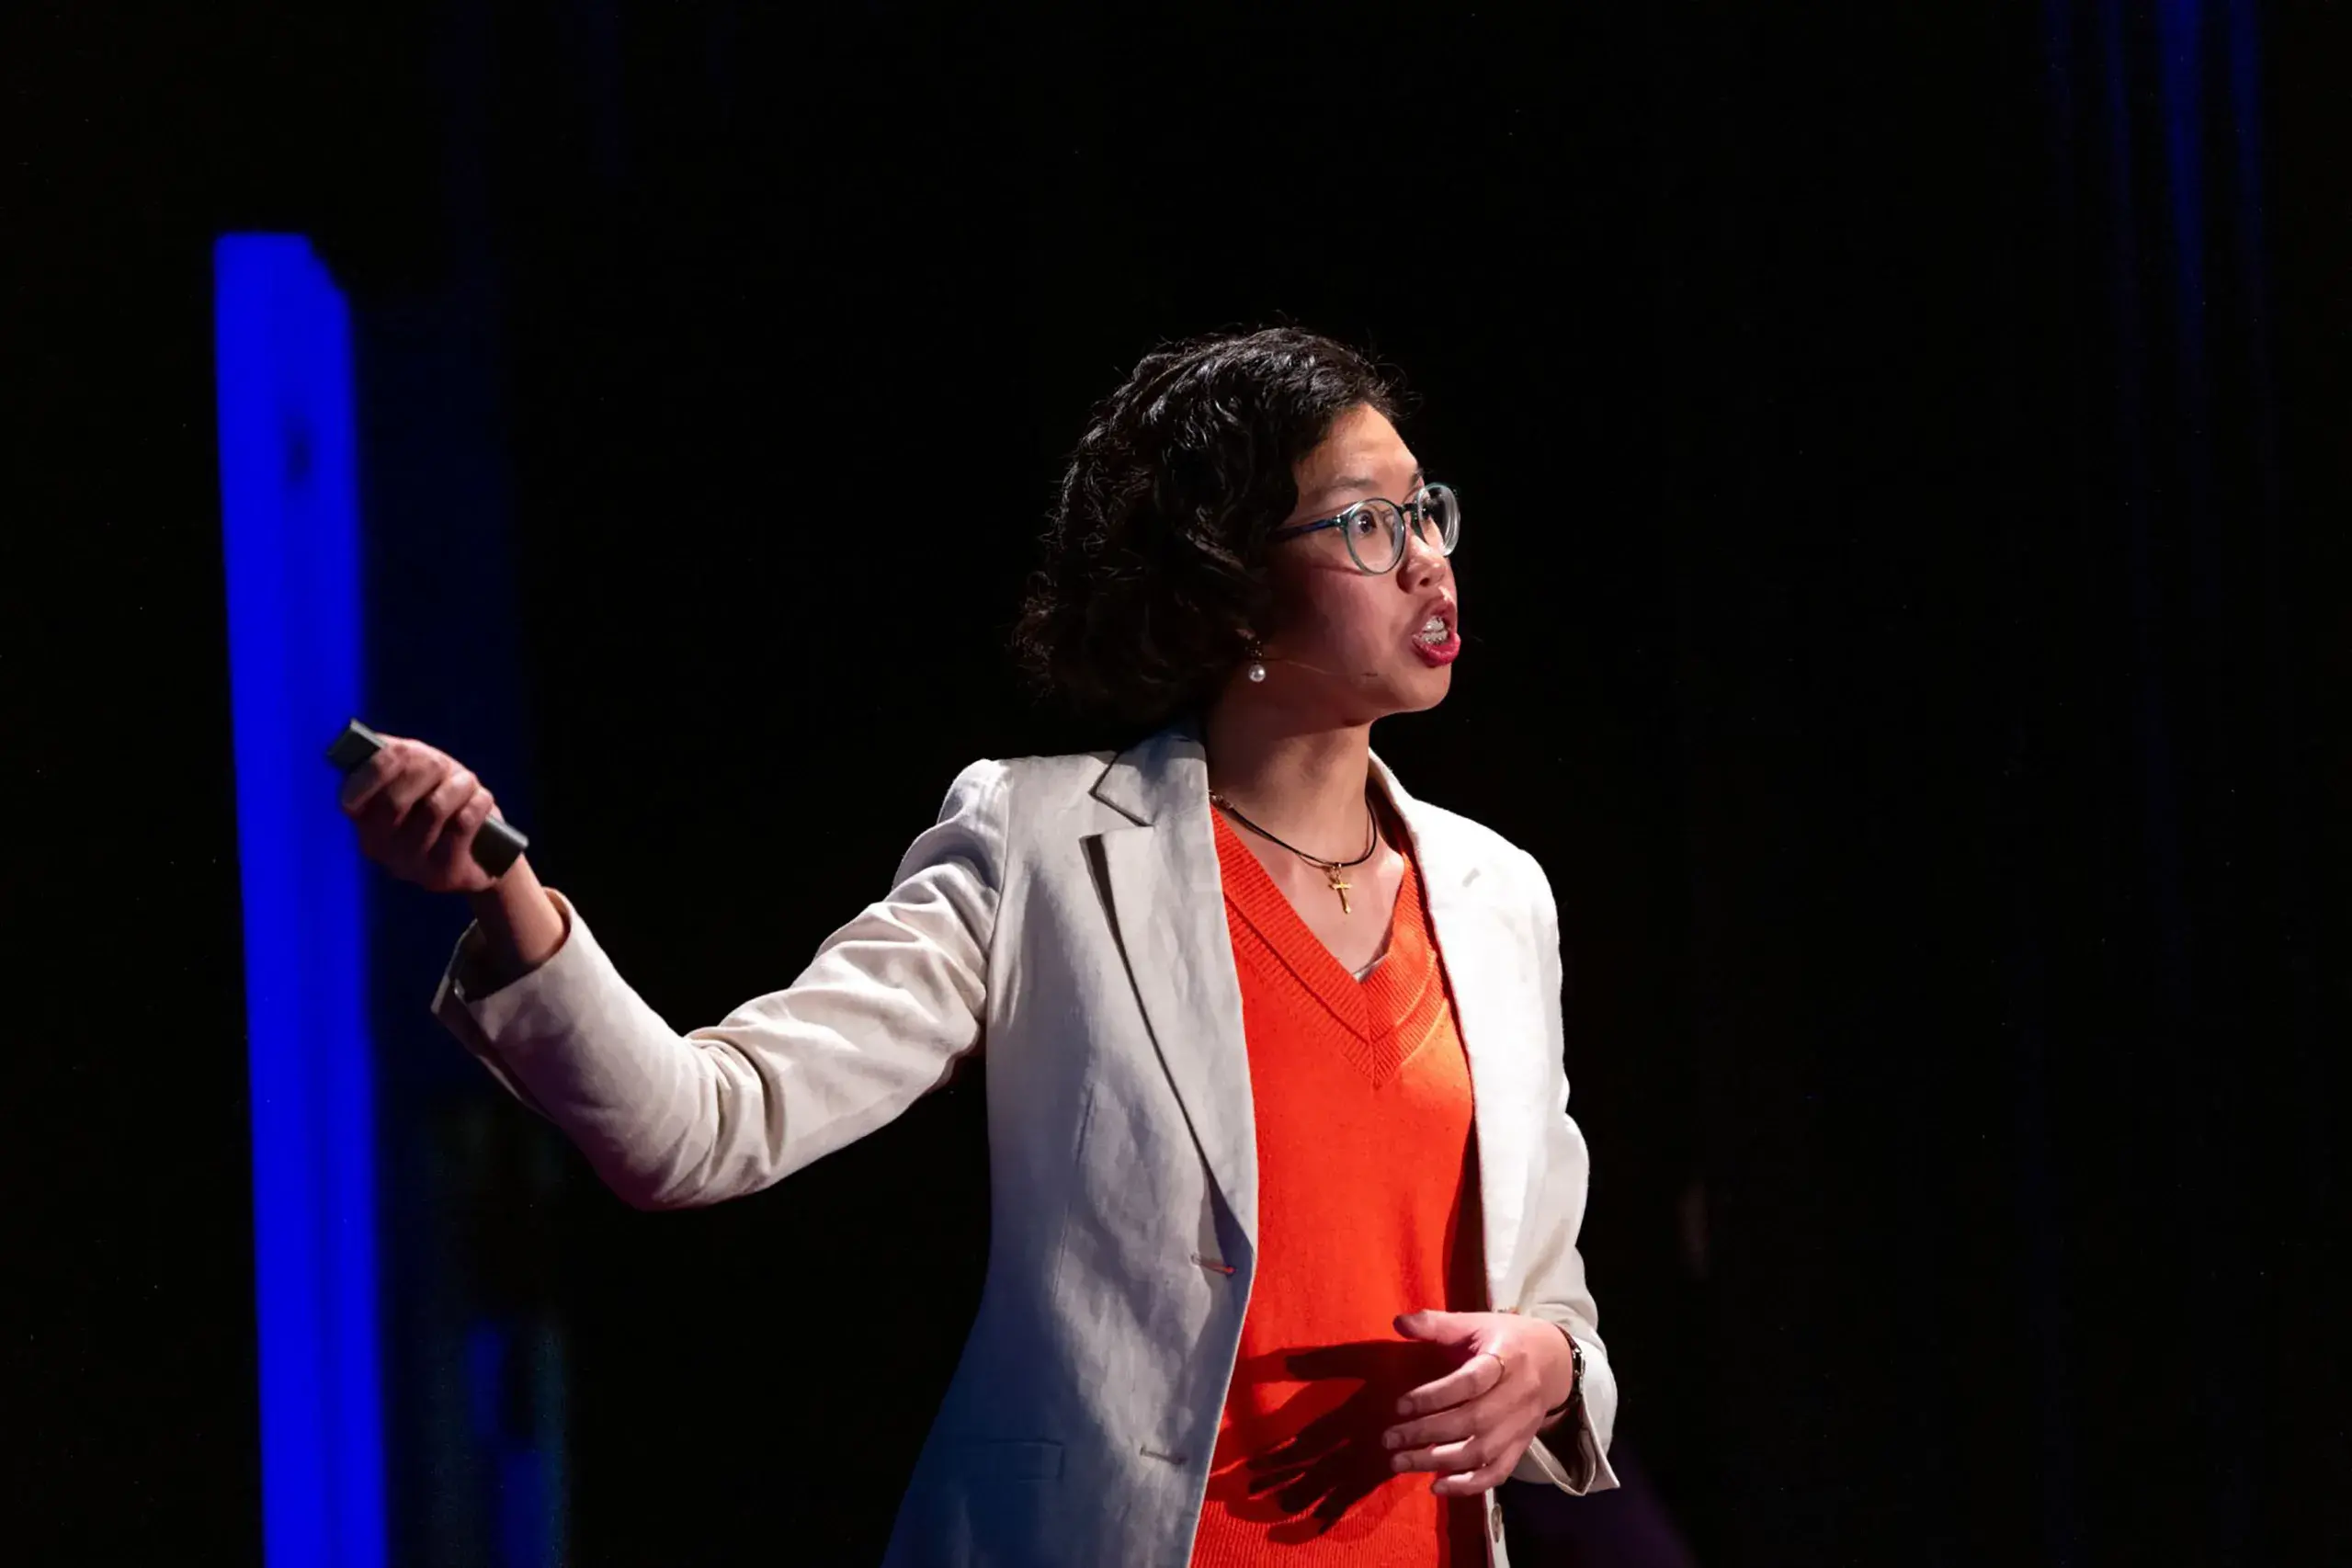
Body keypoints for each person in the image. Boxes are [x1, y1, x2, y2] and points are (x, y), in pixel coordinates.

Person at [341, 327, 1619, 1567]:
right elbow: (701, 1125)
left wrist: (1551, 1367)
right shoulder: (1041, 847)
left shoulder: (1494, 894)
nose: (1426, 560)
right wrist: (504, 891)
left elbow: (1547, 1288)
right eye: (1365, 522)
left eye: (1426, 510)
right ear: (1227, 586)